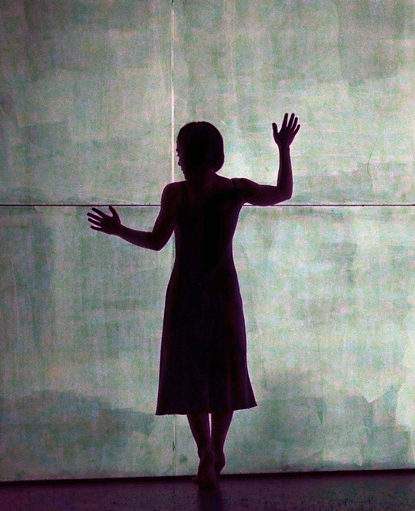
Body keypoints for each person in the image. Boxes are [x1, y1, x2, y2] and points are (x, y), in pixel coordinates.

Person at [87, 113, 300, 489]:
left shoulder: (207, 192)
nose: (179, 159)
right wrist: (119, 230)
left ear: (198, 155)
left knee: (208, 373)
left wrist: (284, 151)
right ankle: (210, 451)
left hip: (202, 294)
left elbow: (156, 241)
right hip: (205, 293)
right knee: (206, 373)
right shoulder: (208, 191)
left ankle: (210, 452)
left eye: (181, 152)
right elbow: (157, 240)